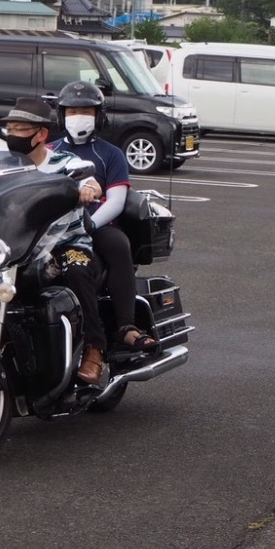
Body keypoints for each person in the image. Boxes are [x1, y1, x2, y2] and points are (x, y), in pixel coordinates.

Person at [0, 98, 107, 385]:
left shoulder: (64, 162)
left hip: (65, 246)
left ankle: (94, 350)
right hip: (17, 248)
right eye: (9, 128)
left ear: (41, 134)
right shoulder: (4, 166)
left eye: (20, 129)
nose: (12, 135)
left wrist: (86, 188)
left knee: (77, 271)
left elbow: (90, 180)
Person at [52, 80, 158, 353]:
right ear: (61, 115)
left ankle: (126, 326)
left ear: (99, 115)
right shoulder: (49, 153)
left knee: (119, 245)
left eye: (86, 111)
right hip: (52, 229)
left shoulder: (111, 154)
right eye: (72, 112)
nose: (78, 117)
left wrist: (90, 224)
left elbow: (116, 200)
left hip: (96, 225)